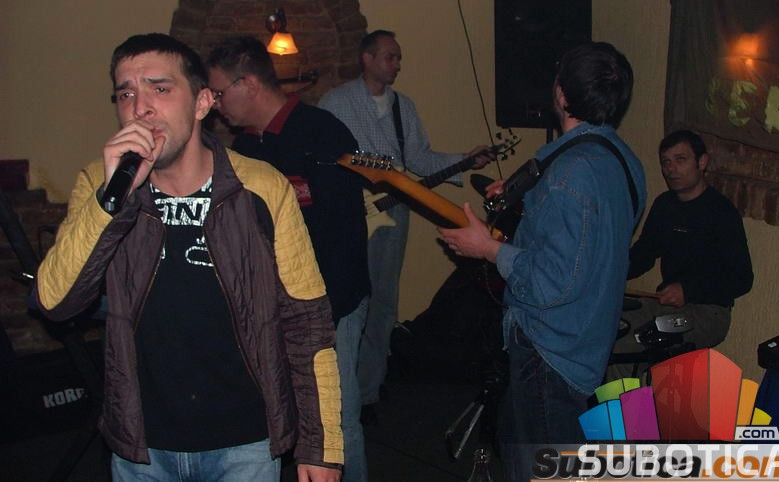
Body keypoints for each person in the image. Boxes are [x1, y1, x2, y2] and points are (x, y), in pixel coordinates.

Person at [34, 33, 342, 482]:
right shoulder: (100, 186)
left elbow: (306, 322)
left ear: (201, 103)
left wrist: (321, 445)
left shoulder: (261, 187)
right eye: (126, 94)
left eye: (160, 88)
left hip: (244, 442)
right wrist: (112, 202)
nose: (140, 108)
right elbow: (56, 302)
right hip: (144, 447)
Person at [439, 42, 646, 481]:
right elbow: (589, 242)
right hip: (588, 336)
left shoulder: (570, 173)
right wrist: (526, 198)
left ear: (562, 95)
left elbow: (553, 282)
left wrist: (487, 248)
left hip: (551, 350)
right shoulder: (624, 160)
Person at [206, 35, 371, 482]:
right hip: (274, 310)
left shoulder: (323, 132)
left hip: (332, 304)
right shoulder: (243, 149)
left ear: (248, 84)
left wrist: (324, 314)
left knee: (336, 423)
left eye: (219, 92)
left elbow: (346, 236)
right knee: (282, 417)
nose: (216, 104)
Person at [318, 29, 495, 418]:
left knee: (383, 302)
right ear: (367, 58)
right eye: (390, 56)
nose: (397, 64)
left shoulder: (404, 107)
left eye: (398, 57)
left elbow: (419, 158)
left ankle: (367, 392)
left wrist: (465, 159)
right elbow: (323, 157)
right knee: (348, 301)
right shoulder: (335, 102)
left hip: (394, 211)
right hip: (348, 210)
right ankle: (341, 393)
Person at [615, 129, 753, 360]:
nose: (671, 169)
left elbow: (742, 279)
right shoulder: (664, 204)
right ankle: (628, 384)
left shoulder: (721, 212)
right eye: (666, 162)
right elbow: (644, 254)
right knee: (609, 330)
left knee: (629, 344)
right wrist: (611, 272)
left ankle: (635, 384)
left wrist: (688, 289)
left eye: (680, 160)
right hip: (665, 306)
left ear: (702, 162)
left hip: (708, 312)